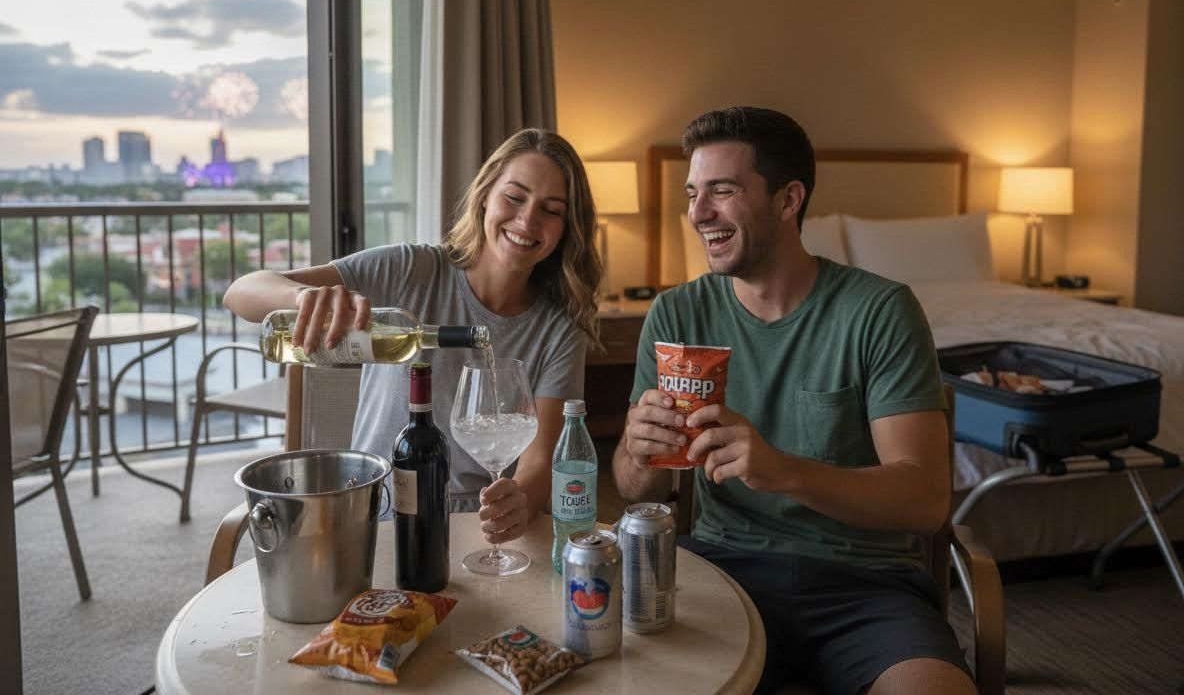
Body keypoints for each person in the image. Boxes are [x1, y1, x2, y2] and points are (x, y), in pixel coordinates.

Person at [612, 107, 975, 695]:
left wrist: (781, 471)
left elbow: (925, 500)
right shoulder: (677, 313)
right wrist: (635, 451)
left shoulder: (878, 312)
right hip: (721, 576)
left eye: (722, 191)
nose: (698, 214)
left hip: (867, 587)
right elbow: (639, 489)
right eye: (692, 193)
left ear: (788, 200)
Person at [224, 128, 601, 546]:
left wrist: (520, 501)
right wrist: (303, 297)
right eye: (514, 197)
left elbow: (538, 462)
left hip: (478, 525)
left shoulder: (559, 327)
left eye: (551, 210)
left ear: (567, 229)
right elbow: (241, 293)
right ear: (484, 196)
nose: (527, 220)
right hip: (375, 508)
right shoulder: (410, 270)